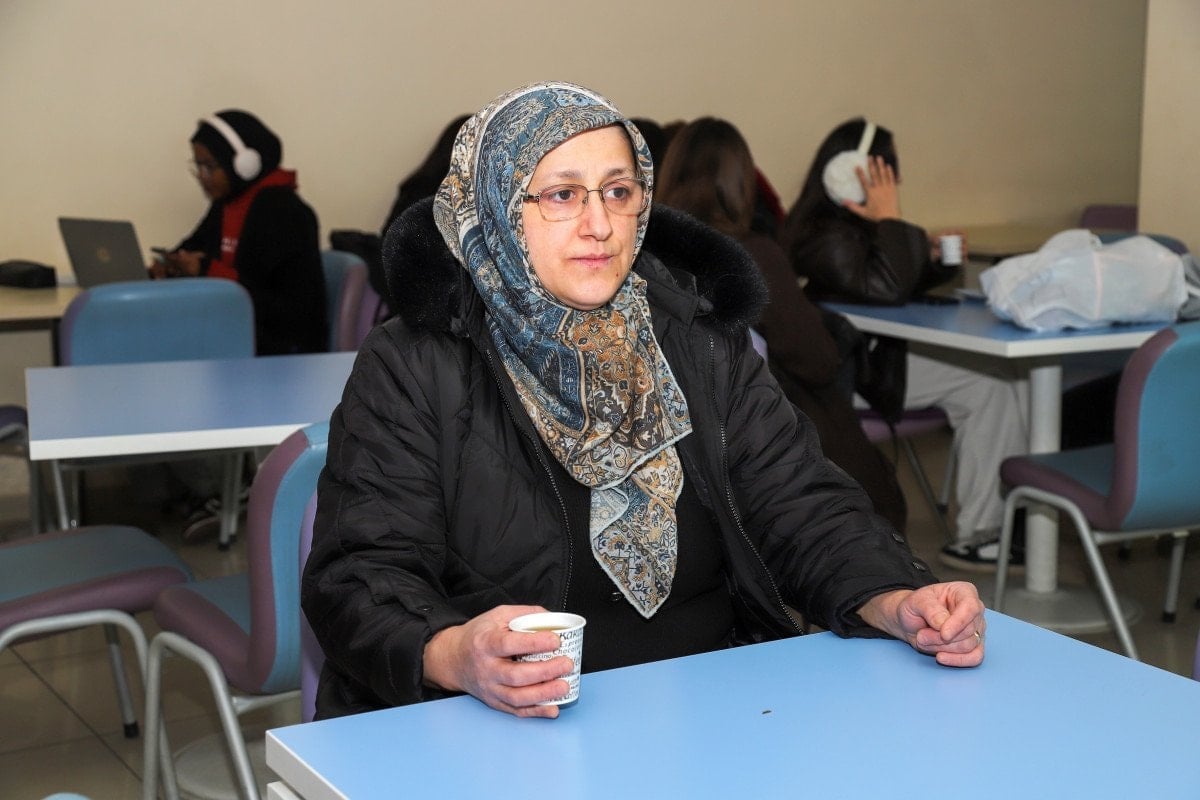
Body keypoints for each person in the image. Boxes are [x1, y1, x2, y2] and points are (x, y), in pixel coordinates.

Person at [301, 83, 985, 722]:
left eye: (618, 191)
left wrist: (892, 596)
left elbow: (800, 504)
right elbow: (360, 574)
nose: (599, 223)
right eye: (562, 195)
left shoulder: (697, 339)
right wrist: (453, 653)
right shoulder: (416, 362)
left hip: (714, 706)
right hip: (496, 722)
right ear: (498, 207)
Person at [779, 117, 1029, 570]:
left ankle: (1008, 519)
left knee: (1008, 381)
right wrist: (891, 219)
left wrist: (932, 259)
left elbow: (884, 281)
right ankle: (982, 534)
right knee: (990, 386)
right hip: (846, 375)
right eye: (887, 168)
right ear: (851, 171)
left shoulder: (846, 226)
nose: (894, 180)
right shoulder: (821, 235)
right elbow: (886, 287)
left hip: (870, 361)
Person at [655, 116, 908, 533]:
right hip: (767, 440)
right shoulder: (751, 255)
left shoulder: (647, 255)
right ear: (742, 183)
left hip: (684, 445)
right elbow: (818, 362)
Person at [153, 109, 328, 356]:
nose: (202, 177)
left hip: (281, 350)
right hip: (236, 331)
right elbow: (191, 247)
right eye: (198, 166)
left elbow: (289, 313)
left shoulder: (287, 213)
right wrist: (170, 266)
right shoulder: (226, 204)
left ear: (245, 164)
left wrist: (206, 270)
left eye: (209, 167)